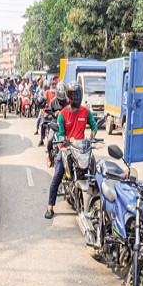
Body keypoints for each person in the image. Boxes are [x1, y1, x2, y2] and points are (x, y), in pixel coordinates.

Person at [44, 82, 98, 219]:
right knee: (57, 175)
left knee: (95, 169)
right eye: (74, 95)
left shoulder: (86, 112)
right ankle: (50, 206)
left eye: (78, 94)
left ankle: (99, 203)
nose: (77, 97)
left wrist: (93, 134)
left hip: (82, 149)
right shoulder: (63, 114)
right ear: (69, 96)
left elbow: (94, 126)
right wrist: (66, 139)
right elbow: (60, 133)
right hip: (66, 149)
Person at [42, 82, 68, 159]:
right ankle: (49, 157)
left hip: (66, 124)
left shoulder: (68, 102)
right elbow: (48, 113)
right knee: (50, 140)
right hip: (55, 124)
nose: (62, 99)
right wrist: (54, 113)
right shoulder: (53, 102)